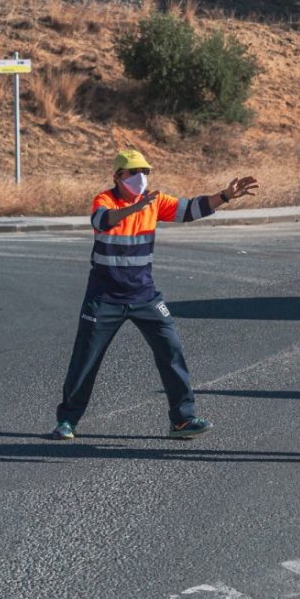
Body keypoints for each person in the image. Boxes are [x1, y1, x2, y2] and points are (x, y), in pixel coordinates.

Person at [49, 149, 259, 440]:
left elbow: (189, 210)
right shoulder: (105, 200)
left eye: (145, 172)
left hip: (144, 296)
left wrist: (223, 196)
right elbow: (102, 220)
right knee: (85, 359)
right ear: (117, 176)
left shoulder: (154, 201)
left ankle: (182, 420)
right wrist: (133, 209)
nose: (141, 178)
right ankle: (67, 421)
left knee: (171, 350)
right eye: (134, 173)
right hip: (104, 298)